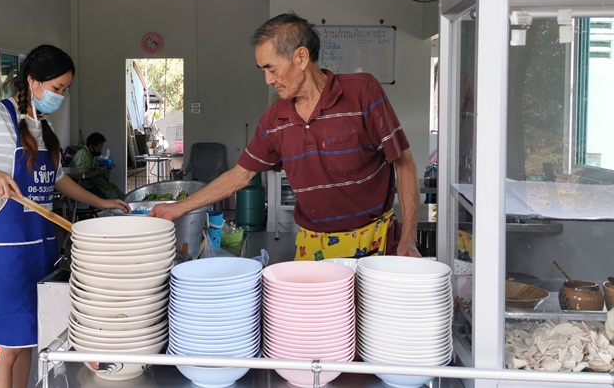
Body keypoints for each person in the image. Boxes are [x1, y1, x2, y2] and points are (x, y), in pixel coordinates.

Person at [0, 44, 129, 388]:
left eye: (65, 89)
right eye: (57, 88)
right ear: (33, 81)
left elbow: (59, 180)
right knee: (3, 348)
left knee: (28, 345)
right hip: (4, 252)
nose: (61, 95)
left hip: (41, 249)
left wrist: (101, 202)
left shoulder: (43, 128)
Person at [150, 13, 421, 260]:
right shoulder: (274, 120)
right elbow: (239, 177)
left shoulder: (363, 92)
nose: (268, 79)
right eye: (263, 71)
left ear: (301, 57)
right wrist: (177, 208)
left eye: (271, 68)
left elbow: (404, 162)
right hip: (313, 247)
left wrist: (408, 239)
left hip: (375, 243)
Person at [70, 131, 126, 200]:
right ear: (91, 146)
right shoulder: (82, 154)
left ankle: (126, 202)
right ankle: (117, 205)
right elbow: (81, 174)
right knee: (110, 192)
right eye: (99, 149)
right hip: (84, 184)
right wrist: (97, 173)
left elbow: (93, 166)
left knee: (115, 188)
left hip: (94, 181)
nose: (100, 151)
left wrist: (101, 172)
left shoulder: (89, 154)